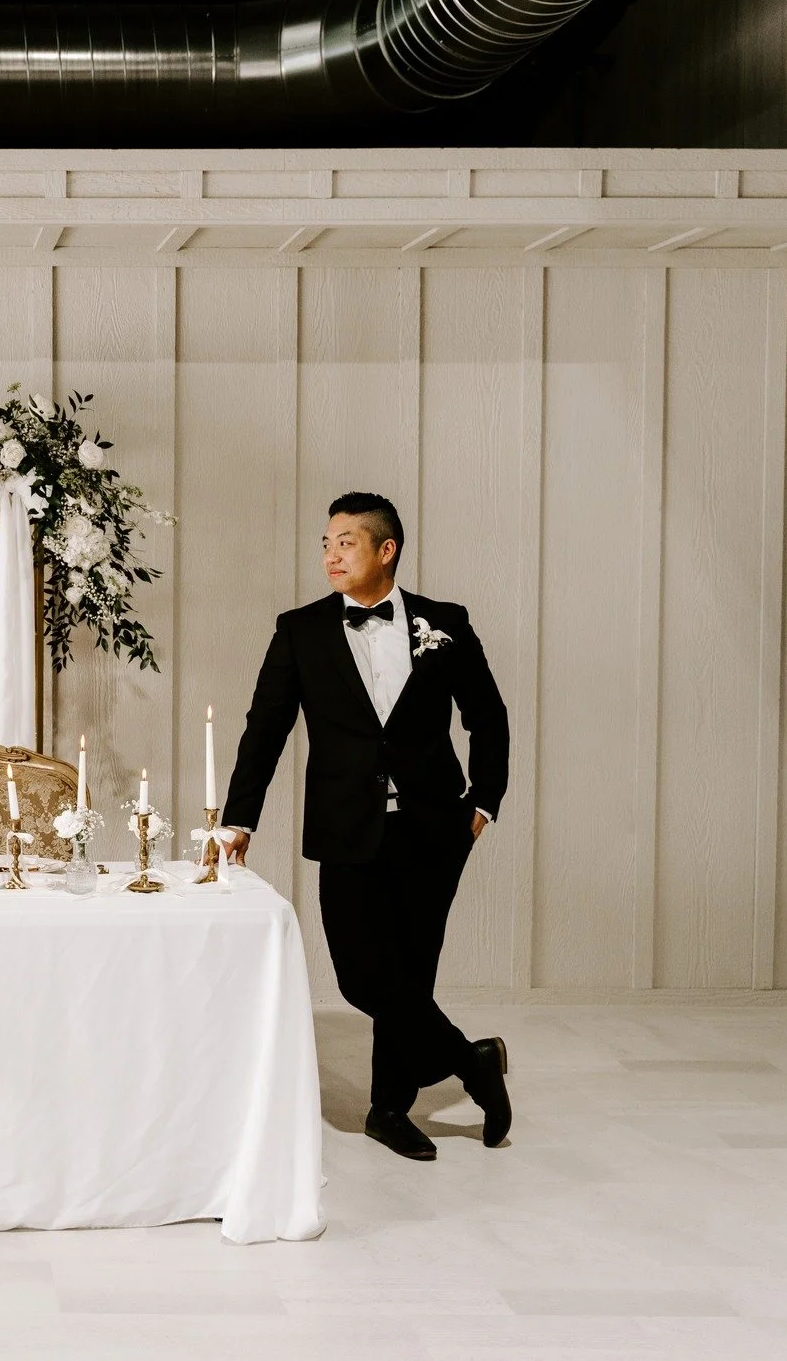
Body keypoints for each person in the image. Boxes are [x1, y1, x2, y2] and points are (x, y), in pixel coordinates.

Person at [218, 492, 512, 1161]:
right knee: (361, 974)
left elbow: (487, 715)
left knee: (410, 971)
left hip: (435, 828)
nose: (330, 554)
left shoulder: (445, 622)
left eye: (345, 541)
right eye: (325, 542)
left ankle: (388, 1108)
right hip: (345, 825)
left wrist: (483, 801)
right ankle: (474, 1062)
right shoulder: (300, 630)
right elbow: (264, 730)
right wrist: (240, 819)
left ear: (387, 550)